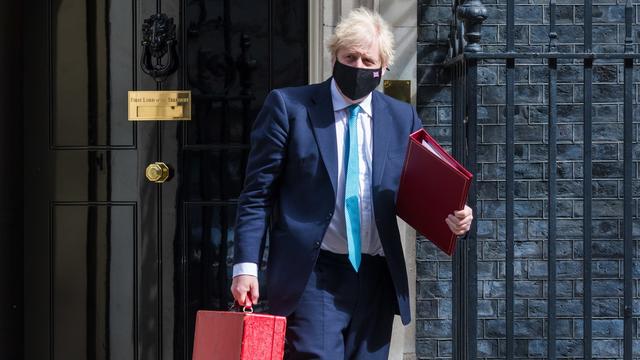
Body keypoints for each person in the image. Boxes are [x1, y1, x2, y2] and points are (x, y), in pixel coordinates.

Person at [231, 7, 473, 359]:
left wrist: (455, 215)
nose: (358, 67)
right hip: (315, 273)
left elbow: (419, 188)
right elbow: (256, 195)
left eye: (367, 60)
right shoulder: (289, 107)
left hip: (376, 273)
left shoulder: (401, 116)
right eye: (350, 57)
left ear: (383, 67)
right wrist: (245, 268)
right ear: (335, 55)